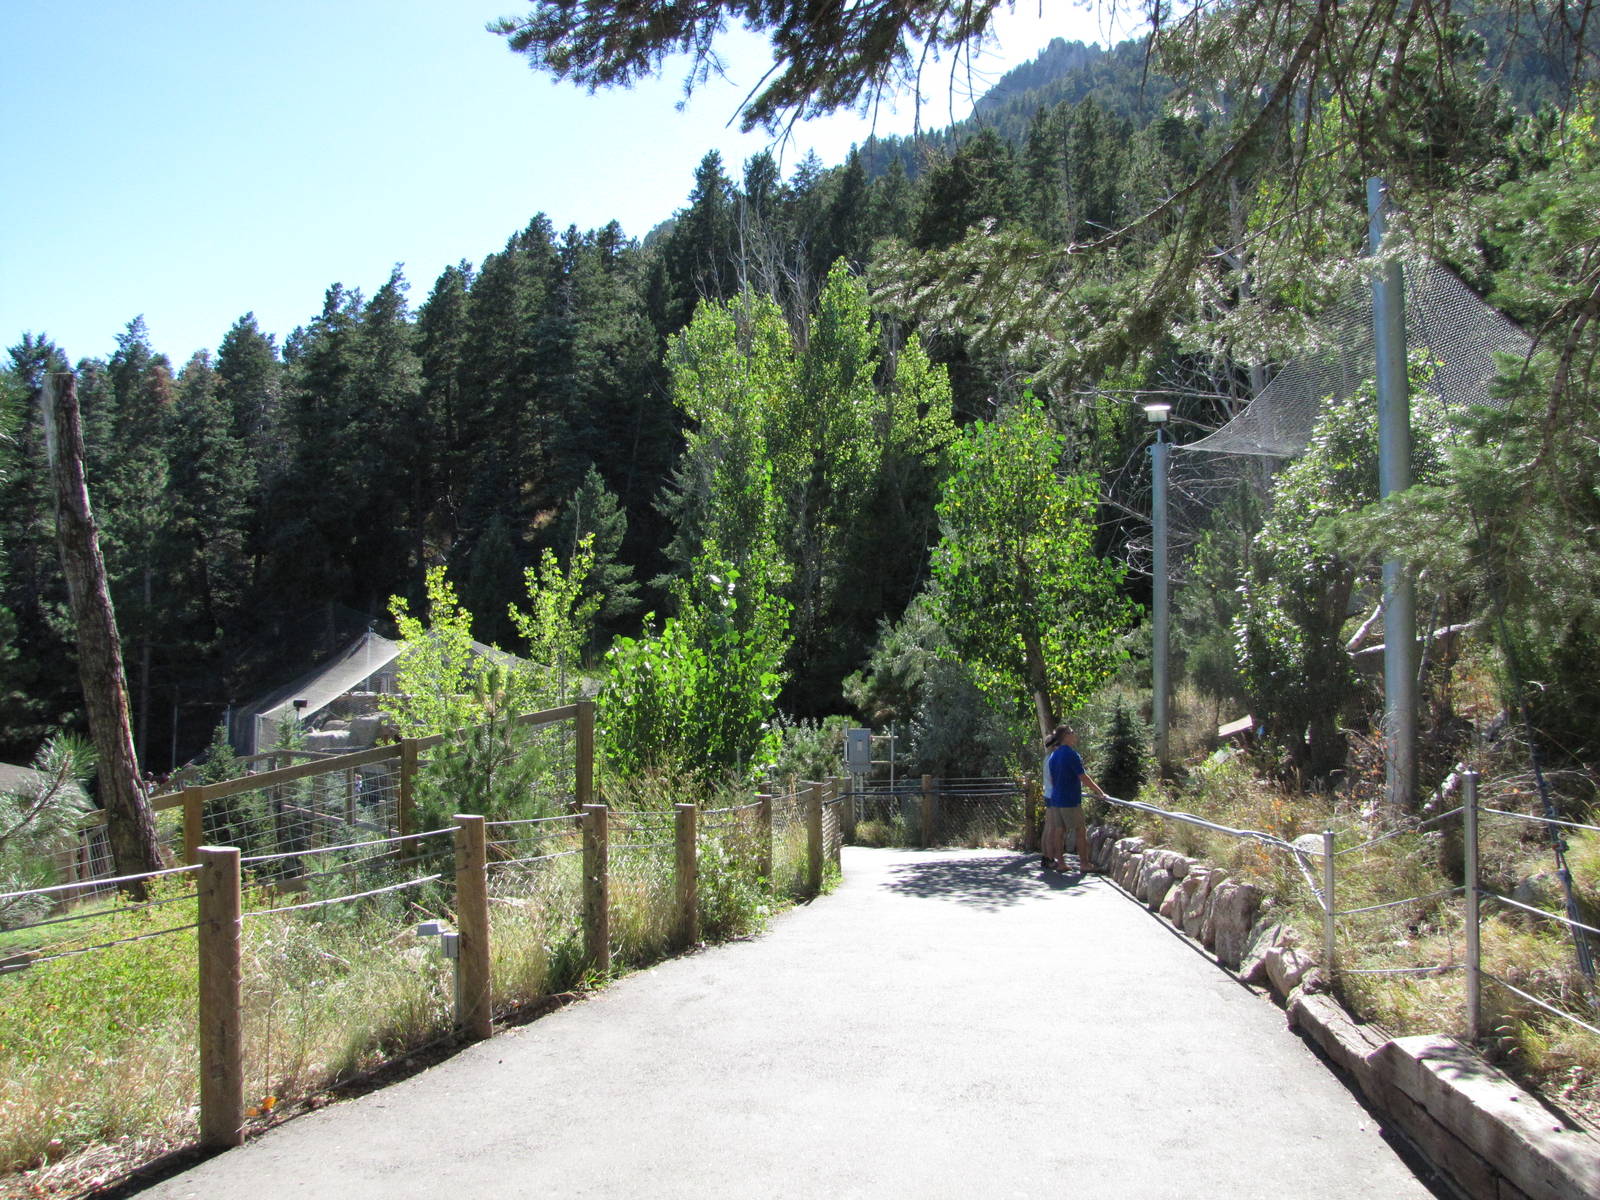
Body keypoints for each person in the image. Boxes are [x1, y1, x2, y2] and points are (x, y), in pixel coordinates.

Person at [1042, 723, 1106, 873]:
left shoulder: (1053, 756)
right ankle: (1084, 863)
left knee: (1059, 830)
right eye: (1072, 732)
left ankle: (1061, 863)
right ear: (1066, 736)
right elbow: (1083, 776)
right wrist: (1099, 791)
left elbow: (1052, 779)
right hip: (1069, 799)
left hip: (1056, 798)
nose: (1074, 735)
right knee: (1080, 830)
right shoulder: (1071, 754)